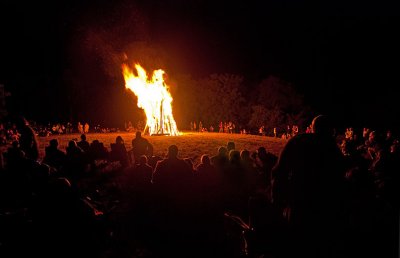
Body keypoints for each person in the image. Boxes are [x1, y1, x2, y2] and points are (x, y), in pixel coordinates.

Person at [271, 114, 347, 257]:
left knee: (298, 243)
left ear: (312, 127)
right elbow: (339, 177)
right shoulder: (332, 149)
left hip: (299, 201)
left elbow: (279, 171)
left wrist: (277, 200)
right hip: (325, 207)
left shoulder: (298, 142)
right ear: (331, 130)